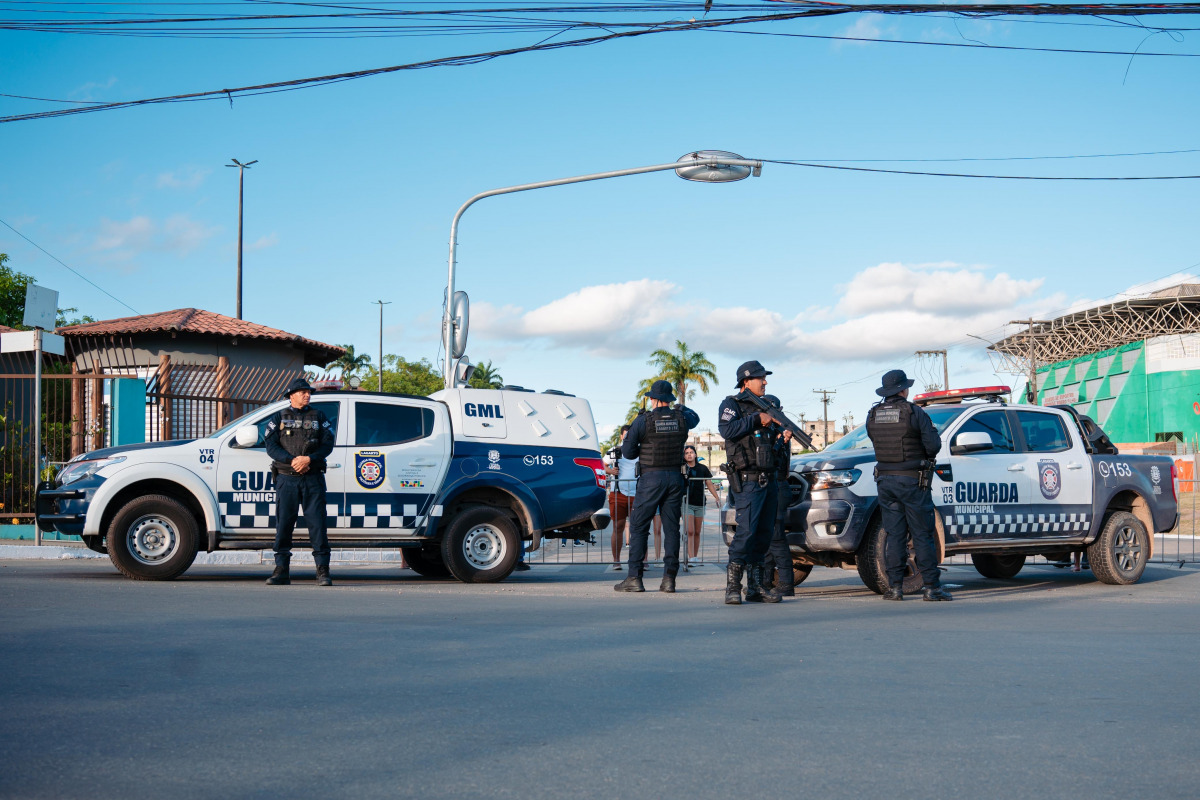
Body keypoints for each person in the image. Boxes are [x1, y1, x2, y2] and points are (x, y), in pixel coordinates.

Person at [864, 369, 951, 602]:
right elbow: (933, 447)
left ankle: (895, 588)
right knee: (922, 534)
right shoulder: (914, 412)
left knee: (894, 534)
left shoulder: (873, 414)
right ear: (903, 390)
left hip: (885, 480)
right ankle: (932, 588)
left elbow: (875, 441)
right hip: (913, 480)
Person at [614, 380, 700, 594]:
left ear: (653, 399)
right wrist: (681, 407)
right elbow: (695, 418)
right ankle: (669, 579)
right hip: (674, 478)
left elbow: (629, 453)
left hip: (651, 478)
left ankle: (635, 577)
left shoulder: (643, 421)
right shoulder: (682, 418)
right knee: (672, 528)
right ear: (669, 399)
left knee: (639, 526)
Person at [718, 361, 790, 605]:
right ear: (746, 382)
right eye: (761, 378)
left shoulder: (767, 407)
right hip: (747, 481)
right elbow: (727, 430)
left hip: (768, 480)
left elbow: (771, 450)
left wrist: (782, 439)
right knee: (746, 532)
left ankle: (756, 588)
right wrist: (757, 419)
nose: (765, 382)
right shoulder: (732, 405)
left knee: (763, 535)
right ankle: (732, 588)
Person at [264, 378, 336, 587]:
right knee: (284, 524)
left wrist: (309, 459)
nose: (307, 395)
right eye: (303, 392)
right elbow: (270, 445)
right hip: (287, 479)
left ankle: (323, 571)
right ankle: (281, 570)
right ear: (291, 395)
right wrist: (292, 460)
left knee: (318, 525)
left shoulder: (319, 416)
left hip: (312, 478)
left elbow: (328, 444)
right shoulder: (278, 417)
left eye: (308, 392)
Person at [760, 395, 796, 597]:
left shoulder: (781, 433)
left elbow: (776, 460)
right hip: (774, 485)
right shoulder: (776, 431)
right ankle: (765, 580)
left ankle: (786, 583)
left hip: (778, 485)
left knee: (776, 537)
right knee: (768, 537)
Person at [604, 424, 637, 571]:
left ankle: (643, 559)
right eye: (626, 435)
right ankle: (616, 560)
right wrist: (611, 470)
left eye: (631, 434)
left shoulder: (641, 450)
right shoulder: (615, 450)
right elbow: (601, 464)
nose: (628, 437)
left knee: (639, 528)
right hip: (618, 493)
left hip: (638, 494)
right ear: (621, 436)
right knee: (618, 526)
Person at [682, 445, 720, 568]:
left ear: (695, 454)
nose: (689, 454)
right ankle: (691, 557)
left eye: (691, 452)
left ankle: (695, 557)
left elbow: (709, 483)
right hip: (686, 503)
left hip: (699, 503)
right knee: (690, 531)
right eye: (686, 452)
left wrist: (717, 497)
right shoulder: (682, 468)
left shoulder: (702, 468)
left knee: (697, 532)